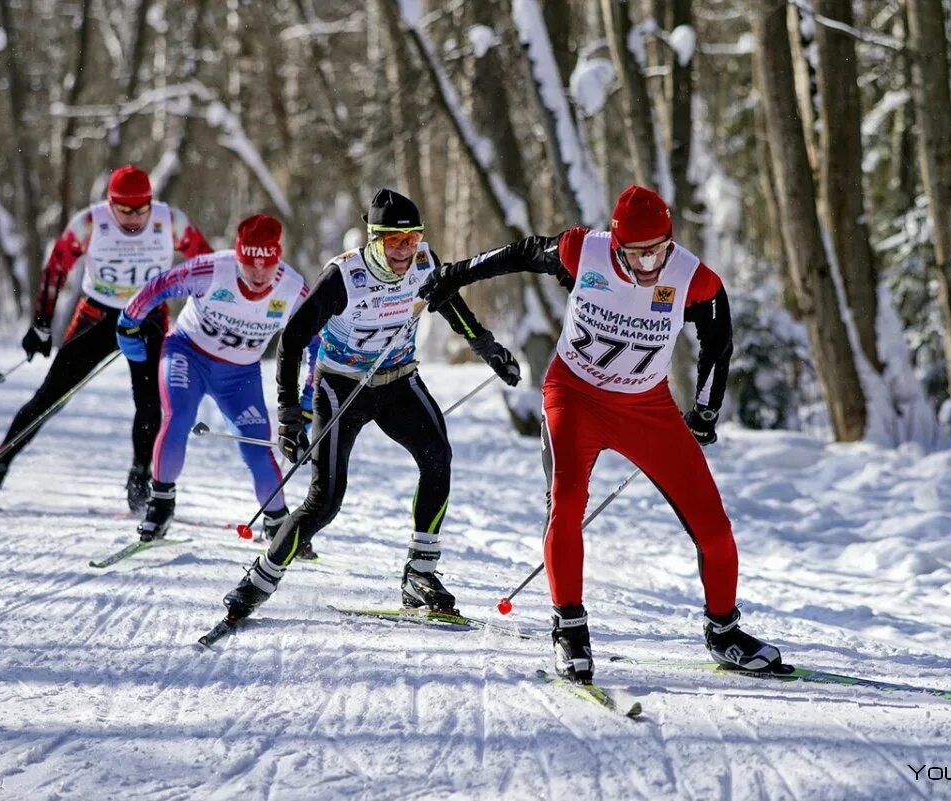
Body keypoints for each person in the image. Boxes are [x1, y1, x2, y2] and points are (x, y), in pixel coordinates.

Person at [417, 184, 783, 682]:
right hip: (575, 397)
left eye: (658, 249)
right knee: (566, 505)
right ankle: (569, 627)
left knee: (714, 527)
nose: (649, 262)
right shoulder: (581, 252)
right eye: (636, 253)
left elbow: (718, 340)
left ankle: (724, 632)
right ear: (615, 243)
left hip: (646, 408)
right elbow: (523, 252)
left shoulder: (693, 277)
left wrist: (704, 410)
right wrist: (455, 274)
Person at [219, 188, 522, 623]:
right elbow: (291, 340)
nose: (406, 250)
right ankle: (257, 583)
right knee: (325, 501)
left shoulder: (424, 263)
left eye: (413, 238)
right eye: (395, 241)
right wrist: (287, 414)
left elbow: (450, 304)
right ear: (373, 239)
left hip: (399, 381)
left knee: (438, 459)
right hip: (341, 388)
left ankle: (420, 576)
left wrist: (488, 348)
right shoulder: (344, 276)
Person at [0, 165, 212, 516]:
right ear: (111, 204)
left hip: (148, 316)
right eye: (125, 210)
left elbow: (207, 267)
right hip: (98, 315)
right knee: (48, 398)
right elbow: (56, 266)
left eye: (141, 209)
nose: (134, 218)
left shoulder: (169, 222)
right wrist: (42, 323)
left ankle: (141, 478)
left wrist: (206, 320)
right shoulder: (91, 223)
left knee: (151, 403)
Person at [116, 213, 317, 545]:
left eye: (266, 264)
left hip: (240, 375)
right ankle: (160, 505)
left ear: (277, 259)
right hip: (187, 355)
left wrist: (307, 404)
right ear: (238, 256)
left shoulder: (293, 290)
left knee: (257, 447)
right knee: (178, 417)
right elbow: (161, 285)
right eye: (249, 262)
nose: (258, 273)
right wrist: (129, 321)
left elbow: (317, 346)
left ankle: (277, 522)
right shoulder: (213, 270)